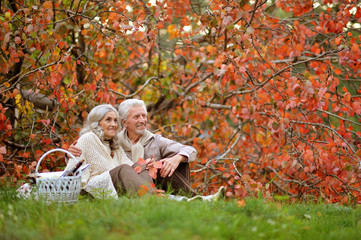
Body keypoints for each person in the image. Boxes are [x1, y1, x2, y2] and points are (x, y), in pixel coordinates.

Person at [68, 99, 225, 200]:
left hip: (147, 184)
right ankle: (159, 198)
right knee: (130, 168)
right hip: (111, 184)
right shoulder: (110, 140)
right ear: (125, 122)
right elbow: (77, 165)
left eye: (144, 116)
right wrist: (70, 154)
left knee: (157, 165)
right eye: (137, 117)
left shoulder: (153, 140)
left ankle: (192, 198)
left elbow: (189, 150)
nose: (142, 120)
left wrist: (173, 159)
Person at [64, 104, 154, 199]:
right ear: (97, 122)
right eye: (108, 120)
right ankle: (154, 198)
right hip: (92, 190)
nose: (114, 124)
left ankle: (149, 197)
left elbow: (131, 168)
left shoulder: (114, 143)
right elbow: (71, 171)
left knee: (143, 166)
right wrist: (67, 155)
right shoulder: (87, 138)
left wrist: (145, 164)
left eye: (115, 120)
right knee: (123, 169)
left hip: (113, 186)